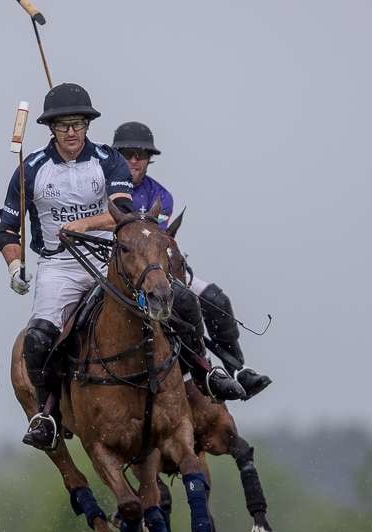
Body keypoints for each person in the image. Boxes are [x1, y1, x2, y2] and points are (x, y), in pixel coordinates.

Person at [0, 84, 246, 452]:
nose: (71, 132)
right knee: (38, 339)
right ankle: (47, 415)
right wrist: (14, 265)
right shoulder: (30, 169)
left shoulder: (107, 160)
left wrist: (83, 225)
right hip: (58, 266)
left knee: (176, 304)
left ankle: (206, 374)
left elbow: (124, 215)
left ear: (87, 124)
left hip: (108, 260)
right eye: (63, 124)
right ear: (50, 127)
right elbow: (6, 229)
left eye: (78, 123)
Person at [111, 121, 272, 399]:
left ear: (150, 159)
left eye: (142, 154)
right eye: (128, 154)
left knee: (215, 299)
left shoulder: (162, 196)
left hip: (157, 269)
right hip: (117, 270)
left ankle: (235, 369)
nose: (135, 160)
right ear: (117, 157)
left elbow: (153, 243)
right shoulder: (105, 190)